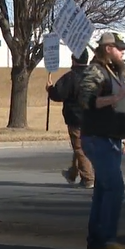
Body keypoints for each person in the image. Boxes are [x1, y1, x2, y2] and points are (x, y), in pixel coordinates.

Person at [78, 32, 125, 249]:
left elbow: (123, 107)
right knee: (114, 189)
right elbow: (87, 101)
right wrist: (116, 97)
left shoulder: (114, 72)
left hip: (112, 138)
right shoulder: (95, 71)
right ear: (108, 49)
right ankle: (105, 240)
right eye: (120, 48)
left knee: (104, 189)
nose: (123, 52)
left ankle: (97, 241)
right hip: (98, 138)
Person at [49, 49, 94, 189]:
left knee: (79, 147)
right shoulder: (94, 76)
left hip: (76, 118)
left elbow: (58, 94)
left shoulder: (70, 77)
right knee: (82, 146)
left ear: (73, 60)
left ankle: (88, 178)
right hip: (93, 117)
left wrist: (50, 89)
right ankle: (73, 173)